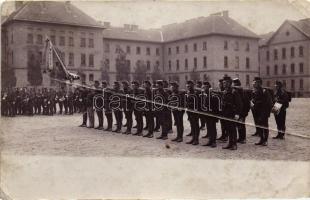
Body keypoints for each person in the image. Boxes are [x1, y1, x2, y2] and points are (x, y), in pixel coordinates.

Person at [221, 76, 243, 150]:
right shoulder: (225, 92)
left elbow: (239, 104)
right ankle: (230, 143)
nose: (224, 84)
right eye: (223, 83)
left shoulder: (234, 92)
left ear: (230, 83)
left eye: (226, 82)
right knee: (228, 129)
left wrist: (237, 114)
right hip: (226, 113)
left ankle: (234, 144)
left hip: (232, 113)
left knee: (233, 129)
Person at [251, 77, 273, 146]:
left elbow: (269, 103)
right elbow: (253, 100)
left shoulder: (264, 91)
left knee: (265, 126)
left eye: (256, 82)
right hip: (256, 112)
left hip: (263, 112)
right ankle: (261, 139)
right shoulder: (254, 91)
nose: (254, 84)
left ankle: (265, 140)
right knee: (258, 126)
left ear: (259, 83)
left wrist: (266, 113)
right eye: (254, 82)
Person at [201, 81, 219, 147]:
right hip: (207, 114)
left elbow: (216, 106)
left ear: (209, 87)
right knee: (209, 128)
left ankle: (214, 142)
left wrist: (216, 116)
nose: (204, 88)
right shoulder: (205, 95)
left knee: (212, 128)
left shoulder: (213, 95)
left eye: (205, 87)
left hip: (212, 114)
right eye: (203, 87)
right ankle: (210, 141)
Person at [232, 78, 250, 144]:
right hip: (238, 112)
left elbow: (247, 103)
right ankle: (240, 138)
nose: (234, 86)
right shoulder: (236, 92)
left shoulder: (243, 92)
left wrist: (245, 113)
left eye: (235, 84)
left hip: (242, 112)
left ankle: (243, 138)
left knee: (241, 125)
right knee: (238, 125)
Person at [185, 80, 201, 145]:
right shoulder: (188, 92)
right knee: (192, 125)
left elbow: (198, 102)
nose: (188, 86)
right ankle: (193, 138)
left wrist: (196, 110)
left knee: (196, 125)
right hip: (190, 111)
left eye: (190, 85)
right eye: (187, 85)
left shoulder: (196, 92)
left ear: (192, 85)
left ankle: (196, 140)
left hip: (195, 111)